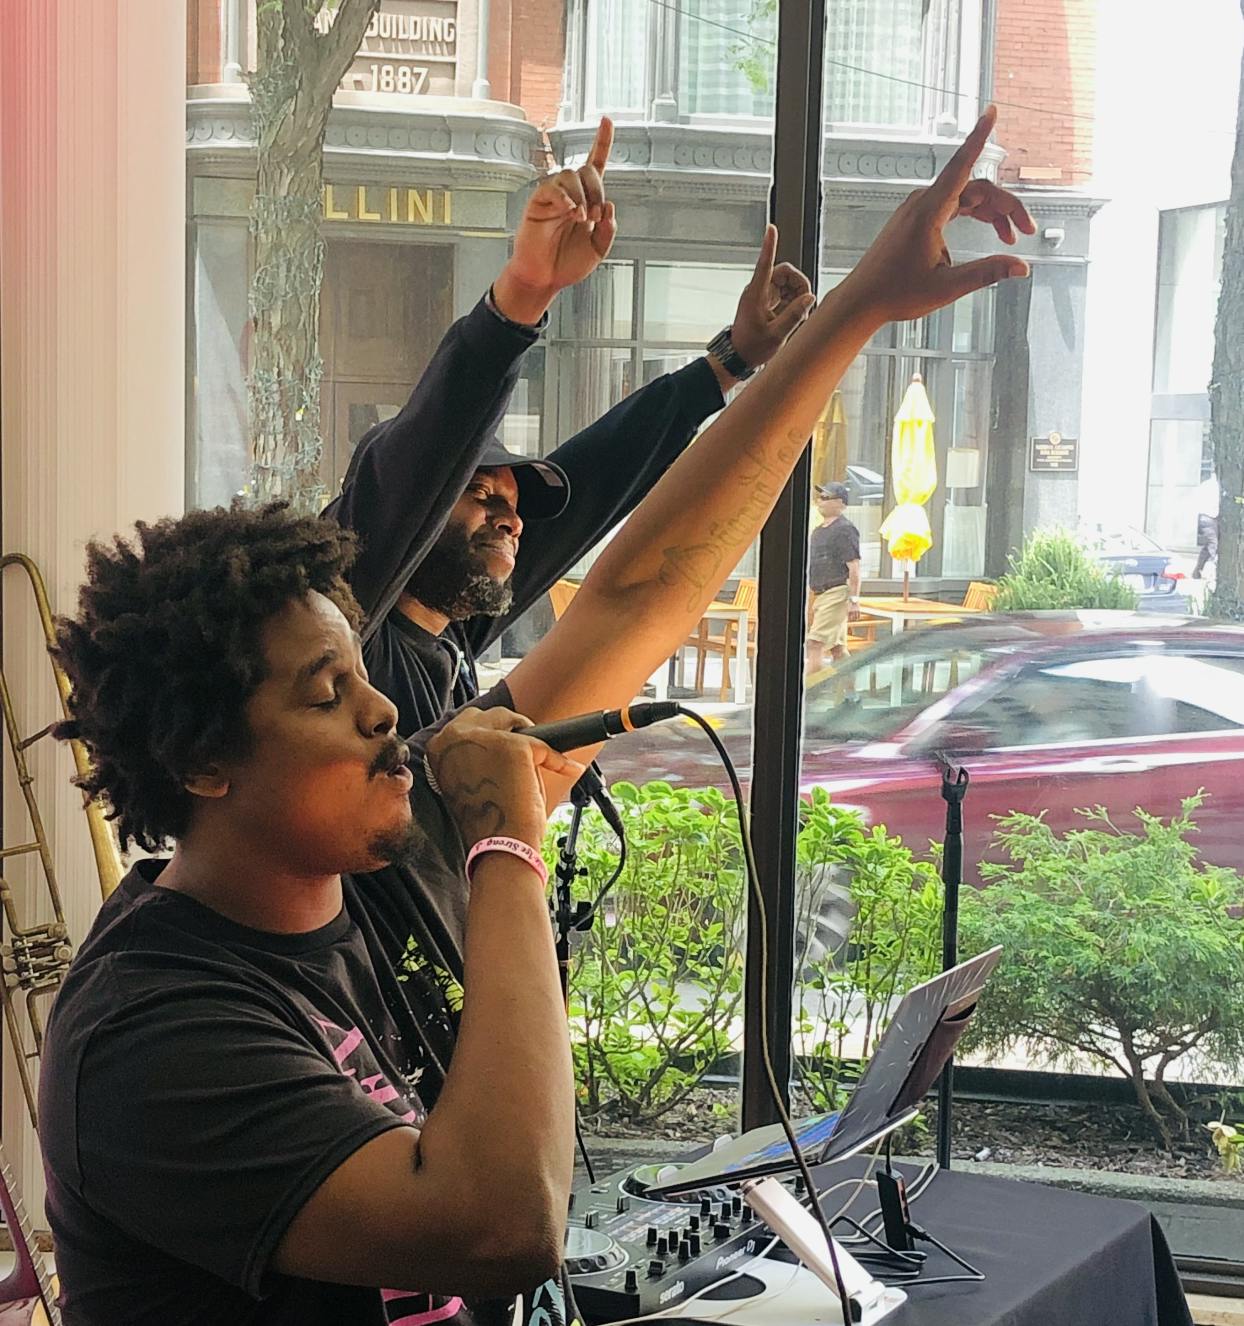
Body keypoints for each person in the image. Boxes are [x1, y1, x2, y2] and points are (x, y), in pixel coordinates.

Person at [40, 109, 1032, 1326]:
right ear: (204, 761)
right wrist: (505, 845)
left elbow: (640, 588)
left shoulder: (376, 859)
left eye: (361, 674)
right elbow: (500, 1224)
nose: (383, 712)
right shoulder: (152, 1033)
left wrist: (850, 318)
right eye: (327, 693)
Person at [323, 118, 815, 736]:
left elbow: (595, 482)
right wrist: (525, 291)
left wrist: (729, 362)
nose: (510, 520)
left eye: (511, 504)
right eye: (479, 493)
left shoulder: (452, 636)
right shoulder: (350, 623)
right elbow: (429, 447)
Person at [806, 480, 862, 673]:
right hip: (820, 594)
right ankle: (850, 689)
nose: (820, 501)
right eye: (820, 497)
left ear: (840, 503)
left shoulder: (845, 530)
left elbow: (854, 567)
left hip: (836, 592)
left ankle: (812, 688)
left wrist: (854, 600)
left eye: (826, 497)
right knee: (837, 649)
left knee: (814, 643)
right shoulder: (818, 531)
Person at [1194, 470, 1219, 579]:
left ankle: (1197, 571)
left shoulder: (1205, 485)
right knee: (1213, 545)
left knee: (1208, 546)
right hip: (1210, 517)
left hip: (1205, 517)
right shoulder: (1216, 486)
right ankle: (1213, 571)